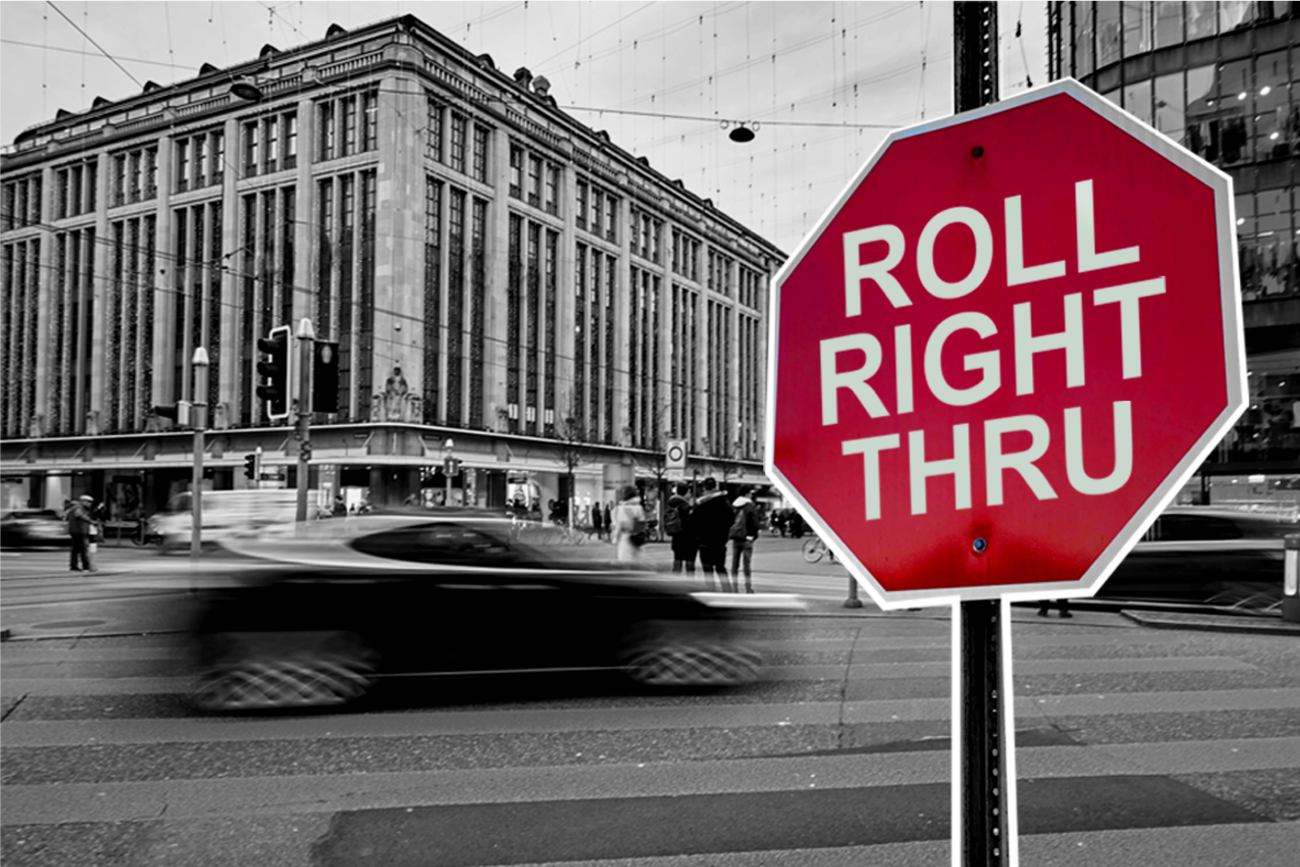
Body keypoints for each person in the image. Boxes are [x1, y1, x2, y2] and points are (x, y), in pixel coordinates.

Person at [690, 477, 734, 591]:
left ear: (704, 487)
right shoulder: (724, 502)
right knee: (720, 567)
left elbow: (693, 521)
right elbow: (731, 519)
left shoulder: (700, 504)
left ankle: (711, 591)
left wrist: (697, 535)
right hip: (720, 540)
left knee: (707, 568)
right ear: (715, 486)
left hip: (704, 540)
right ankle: (727, 590)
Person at [729, 486, 760, 593]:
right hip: (747, 538)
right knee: (746, 565)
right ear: (747, 494)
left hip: (736, 537)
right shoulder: (750, 506)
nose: (751, 495)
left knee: (734, 564)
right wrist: (753, 536)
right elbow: (755, 523)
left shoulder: (734, 505)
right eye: (750, 493)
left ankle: (734, 587)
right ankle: (748, 587)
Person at [666, 481, 697, 575]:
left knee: (677, 560)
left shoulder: (671, 504)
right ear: (685, 493)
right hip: (688, 539)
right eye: (689, 492)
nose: (690, 494)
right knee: (690, 562)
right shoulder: (686, 507)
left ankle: (675, 583)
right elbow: (691, 524)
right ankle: (689, 583)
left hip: (676, 537)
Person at [611, 485, 646, 562]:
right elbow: (642, 523)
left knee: (625, 563)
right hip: (638, 539)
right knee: (638, 563)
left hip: (626, 538)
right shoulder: (639, 508)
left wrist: (615, 539)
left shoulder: (621, 508)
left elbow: (619, 525)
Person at [66, 494, 97, 572]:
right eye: (89, 502)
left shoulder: (78, 508)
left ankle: (74, 566)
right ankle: (85, 566)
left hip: (78, 531)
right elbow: (79, 515)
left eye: (91, 502)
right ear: (83, 501)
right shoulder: (78, 508)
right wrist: (91, 521)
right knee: (83, 549)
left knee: (76, 550)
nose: (90, 504)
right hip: (78, 531)